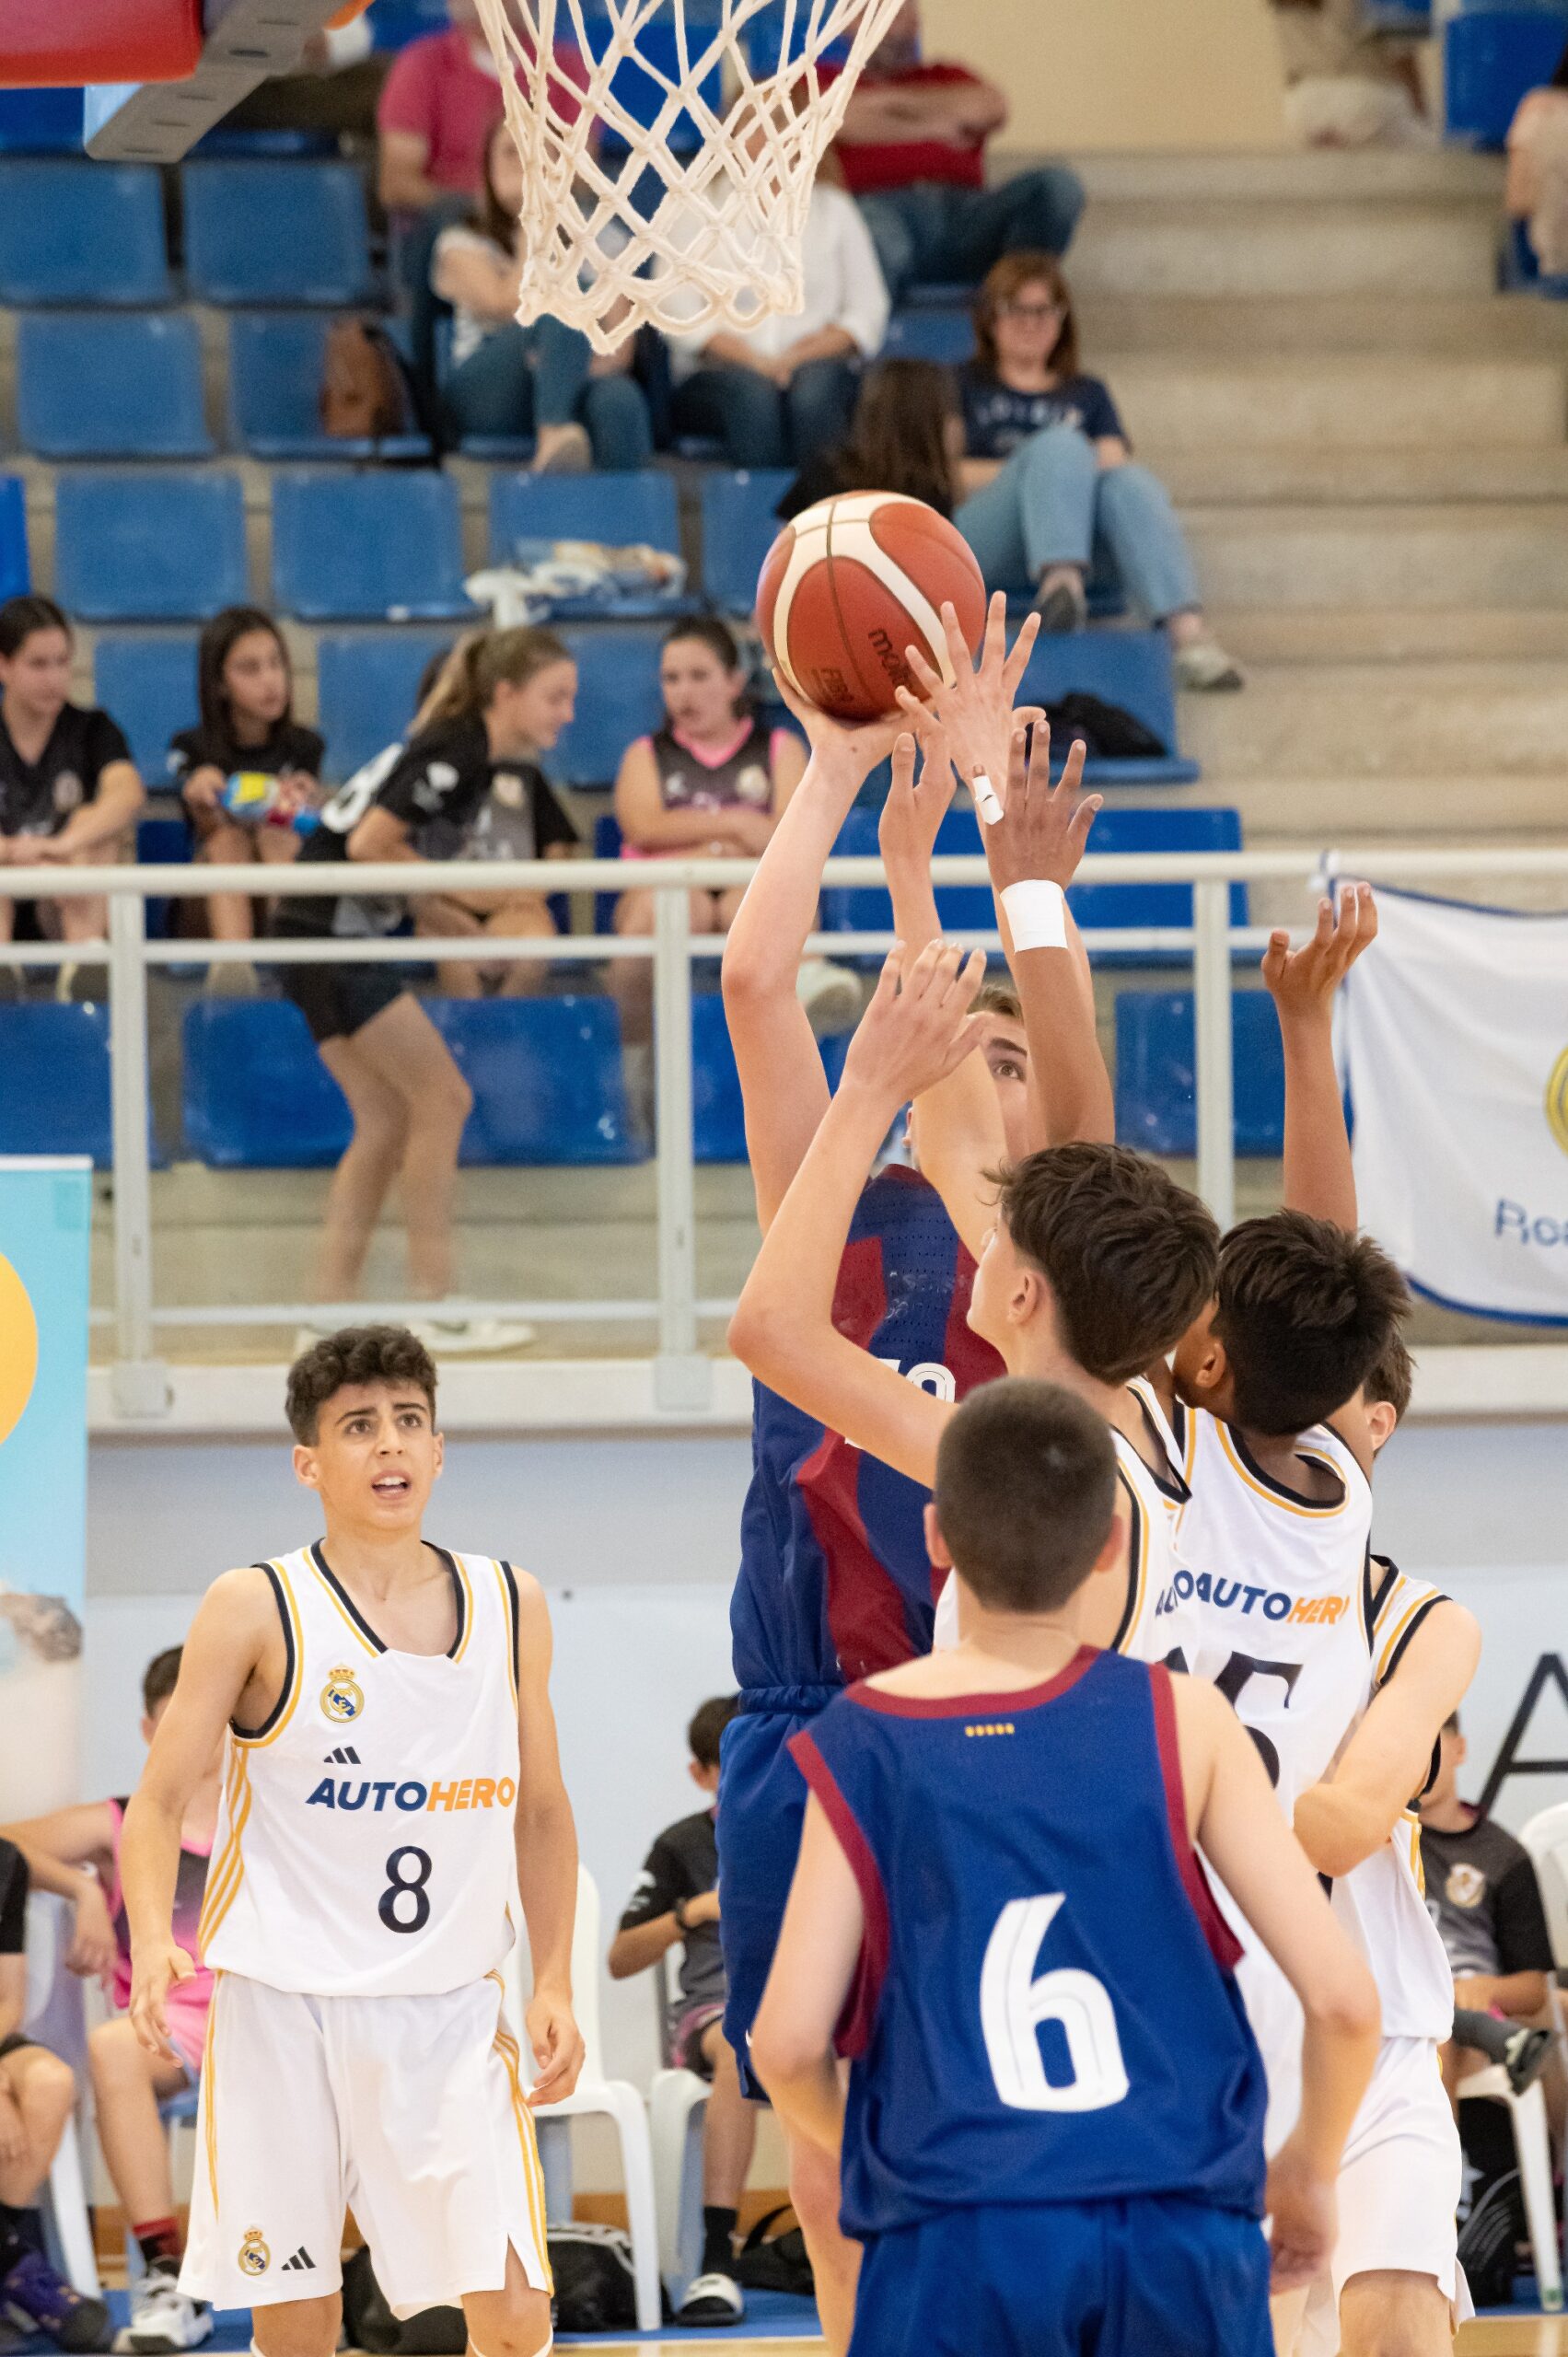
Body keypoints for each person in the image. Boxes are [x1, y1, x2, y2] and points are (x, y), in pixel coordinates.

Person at [751, 1378, 1382, 2357]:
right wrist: (1307, 2168)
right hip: (1176, 2215)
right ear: (1112, 1542)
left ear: (935, 1537)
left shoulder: (862, 1735)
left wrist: (874, 2157)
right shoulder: (1186, 1719)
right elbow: (1343, 2001)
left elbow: (789, 2045)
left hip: (961, 2220)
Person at [714, 603, 1051, 2354]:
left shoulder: (1033, 1271)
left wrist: (942, 879)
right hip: (805, 1709)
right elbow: (753, 987)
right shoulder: (827, 1210)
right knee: (822, 2141)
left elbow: (983, 1073)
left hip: (975, 1720)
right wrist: (835, 774)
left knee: (978, 2115)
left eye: (1011, 1056)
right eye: (966, 1042)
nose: (979, 1065)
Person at [119, 1324, 584, 2357]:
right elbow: (155, 1803)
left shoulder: (511, 1602)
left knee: (514, 2315)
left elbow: (542, 1810)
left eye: (409, 1421)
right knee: (299, 2322)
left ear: (439, 1449)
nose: (390, 1445)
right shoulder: (254, 1604)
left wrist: (552, 1979)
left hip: (448, 2011)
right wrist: (152, 1938)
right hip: (283, 2010)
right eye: (360, 1426)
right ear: (309, 1463)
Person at [271, 628, 577, 1337]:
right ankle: (434, 1305)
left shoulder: (462, 749)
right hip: (330, 938)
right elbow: (368, 845)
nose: (567, 714)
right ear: (506, 693)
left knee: (384, 1117)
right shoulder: (458, 749)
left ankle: (325, 1311)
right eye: (555, 697)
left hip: (311, 932)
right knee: (443, 1098)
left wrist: (456, 923)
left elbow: (392, 866)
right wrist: (475, 895)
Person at [2, 1649, 219, 2352]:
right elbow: (6, 1848)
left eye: (210, 1718)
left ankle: (365, 2278)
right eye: (177, 1720)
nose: (197, 1736)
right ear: (151, 1731)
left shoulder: (277, 1817)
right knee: (113, 2044)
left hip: (274, 2015)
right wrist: (82, 1887)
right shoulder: (123, 1824)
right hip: (175, 2025)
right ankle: (166, 2273)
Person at [958, 253, 1243, 687]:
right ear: (990, 317)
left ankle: (1186, 634)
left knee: (1130, 482)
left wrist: (1061, 470)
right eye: (1016, 309)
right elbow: (950, 474)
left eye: (1043, 311)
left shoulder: (1087, 392)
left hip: (1083, 541)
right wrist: (1043, 466)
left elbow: (1115, 461)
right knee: (1059, 445)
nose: (1030, 323)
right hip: (988, 538)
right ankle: (1061, 580)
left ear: (1061, 320)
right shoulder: (962, 383)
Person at [608, 1695, 757, 2328]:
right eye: (730, 1766)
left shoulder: (808, 1825)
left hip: (800, 2004)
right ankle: (718, 2257)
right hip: (714, 2015)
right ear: (700, 1774)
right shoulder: (683, 1844)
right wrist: (690, 1912)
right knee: (741, 2041)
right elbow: (621, 1958)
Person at [611, 619, 821, 1058]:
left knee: (745, 907)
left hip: (751, 886)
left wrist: (689, 842)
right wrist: (737, 829)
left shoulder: (781, 748)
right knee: (679, 907)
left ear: (734, 682)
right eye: (671, 679)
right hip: (664, 891)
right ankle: (637, 1062)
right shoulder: (644, 755)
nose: (683, 692)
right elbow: (645, 827)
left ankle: (792, 1036)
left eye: (699, 676)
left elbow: (791, 837)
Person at [821, 0, 1084, 305]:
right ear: (849, 23)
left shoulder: (948, 75)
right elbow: (830, 119)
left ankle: (1014, 311)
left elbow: (992, 108)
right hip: (878, 209)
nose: (897, 24)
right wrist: (938, 122)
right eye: (883, 12)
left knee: (1057, 187)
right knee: (863, 234)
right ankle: (867, 330)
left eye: (904, 11)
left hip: (966, 216)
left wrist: (882, 112)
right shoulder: (822, 80)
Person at [434, 116, 656, 471]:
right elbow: (507, 304)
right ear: (487, 167)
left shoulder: (603, 239)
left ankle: (627, 505)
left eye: (537, 154)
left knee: (619, 398)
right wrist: (535, 222)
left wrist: (560, 367)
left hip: (571, 379)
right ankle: (552, 433)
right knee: (558, 304)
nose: (525, 164)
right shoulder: (459, 243)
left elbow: (619, 346)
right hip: (487, 392)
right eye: (511, 152)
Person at [666, 149, 890, 471]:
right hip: (718, 372)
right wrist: (756, 361)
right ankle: (758, 505)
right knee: (753, 397)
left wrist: (796, 357)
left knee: (815, 394)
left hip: (814, 362)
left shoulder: (834, 208)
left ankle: (818, 500)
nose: (769, 139)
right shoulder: (695, 207)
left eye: (783, 127)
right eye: (755, 127)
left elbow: (868, 310)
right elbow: (676, 311)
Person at [168, 607, 324, 986]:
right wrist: (202, 798)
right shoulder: (191, 748)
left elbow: (306, 828)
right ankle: (232, 969)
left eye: (276, 663)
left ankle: (296, 965)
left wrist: (304, 804)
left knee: (277, 835)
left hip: (275, 886)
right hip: (206, 907)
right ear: (219, 684)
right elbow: (206, 832)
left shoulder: (306, 746)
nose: (270, 680)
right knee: (227, 841)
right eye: (250, 669)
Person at [0, 595, 144, 1001]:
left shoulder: (93, 729)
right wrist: (10, 851)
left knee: (93, 827)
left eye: (62, 662)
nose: (54, 678)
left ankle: (84, 964)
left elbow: (128, 793)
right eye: (38, 664)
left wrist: (61, 845)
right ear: (3, 665)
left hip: (66, 897)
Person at [0, 1839, 113, 2352]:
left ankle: (10, 2262)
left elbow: (9, 1999)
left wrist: (86, 1890)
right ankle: (15, 2264)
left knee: (51, 2082)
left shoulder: (6, 1862)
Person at [1420, 1713, 1556, 2100]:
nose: (1416, 1759)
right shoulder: (1375, 1841)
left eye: (1429, 1742)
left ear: (1459, 1748)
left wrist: (1486, 1989)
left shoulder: (1504, 1855)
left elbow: (1533, 1989)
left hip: (1474, 2025)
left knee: (1438, 2036)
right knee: (1428, 2033)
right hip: (1403, 2009)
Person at [377, 0, 587, 214]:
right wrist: (485, 211)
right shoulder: (420, 64)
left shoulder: (565, 66)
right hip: (453, 217)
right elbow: (398, 182)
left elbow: (581, 173)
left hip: (547, 214)